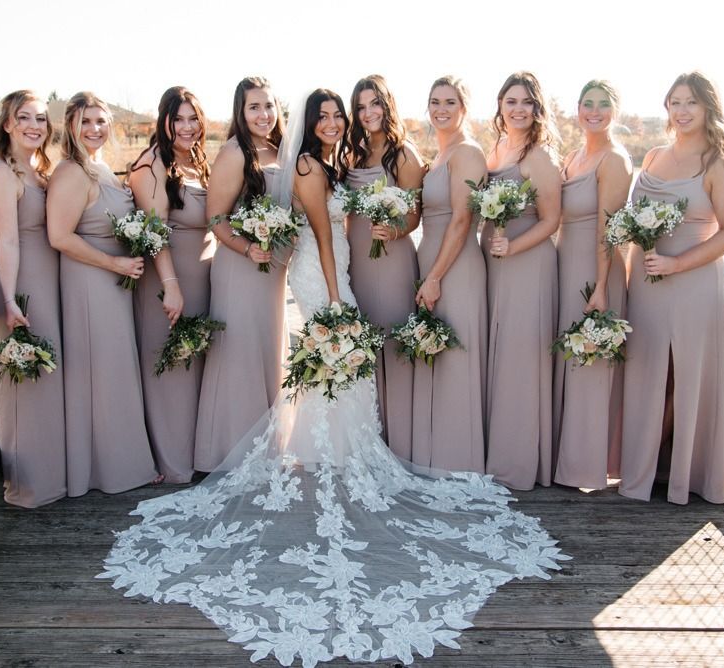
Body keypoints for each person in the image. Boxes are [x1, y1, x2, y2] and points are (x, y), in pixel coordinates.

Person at [100, 89, 568, 667]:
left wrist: (388, 235)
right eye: (322, 114)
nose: (331, 121)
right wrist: (336, 294)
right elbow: (323, 235)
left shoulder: (332, 161)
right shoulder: (306, 165)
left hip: (335, 267)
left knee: (339, 364)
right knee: (339, 355)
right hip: (324, 271)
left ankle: (340, 446)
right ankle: (337, 449)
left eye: (335, 113)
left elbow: (389, 211)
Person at [619, 72, 724, 504]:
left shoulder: (720, 165)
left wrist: (676, 263)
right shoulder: (654, 156)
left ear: (708, 108)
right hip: (646, 278)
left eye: (691, 102)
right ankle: (642, 465)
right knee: (647, 368)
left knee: (683, 373)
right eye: (675, 102)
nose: (682, 110)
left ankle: (673, 470)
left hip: (692, 279)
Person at [47, 92, 158, 496]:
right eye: (86, 121)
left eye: (101, 121)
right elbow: (59, 236)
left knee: (114, 372)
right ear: (71, 125)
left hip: (115, 280)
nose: (95, 129)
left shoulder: (100, 169)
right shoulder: (71, 172)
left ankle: (122, 462)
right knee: (103, 372)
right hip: (91, 282)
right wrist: (114, 265)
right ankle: (110, 470)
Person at [193, 77, 288, 472]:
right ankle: (228, 453)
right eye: (254, 107)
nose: (263, 114)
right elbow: (215, 217)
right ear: (240, 111)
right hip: (240, 266)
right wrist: (248, 246)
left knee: (267, 353)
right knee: (239, 357)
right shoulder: (235, 151)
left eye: (268, 106)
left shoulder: (282, 149)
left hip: (272, 271)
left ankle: (268, 449)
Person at [0, 90, 65, 507]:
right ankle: (30, 487)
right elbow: (8, 242)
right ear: (7, 124)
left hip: (52, 282)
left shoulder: (41, 168)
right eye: (25, 118)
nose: (35, 125)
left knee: (50, 380)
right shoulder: (1, 172)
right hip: (23, 286)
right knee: (27, 386)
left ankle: (56, 476)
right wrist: (10, 299)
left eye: (40, 118)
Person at [552, 80, 632, 490]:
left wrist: (601, 287)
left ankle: (585, 468)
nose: (594, 111)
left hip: (594, 272)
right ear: (578, 109)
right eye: (588, 104)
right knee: (569, 362)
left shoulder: (614, 160)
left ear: (614, 111)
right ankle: (564, 458)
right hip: (566, 267)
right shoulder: (575, 155)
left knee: (590, 366)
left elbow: (609, 231)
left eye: (603, 105)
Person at [483, 71, 561, 490]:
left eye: (526, 102)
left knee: (520, 359)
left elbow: (552, 220)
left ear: (537, 108)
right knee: (501, 354)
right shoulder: (496, 149)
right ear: (500, 105)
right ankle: (497, 451)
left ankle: (519, 463)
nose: (518, 109)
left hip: (528, 264)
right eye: (511, 101)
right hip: (496, 263)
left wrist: (513, 248)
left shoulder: (540, 156)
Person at [129, 87, 210, 484]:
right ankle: (172, 464)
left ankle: (193, 455)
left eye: (193, 118)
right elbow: (153, 232)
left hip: (203, 278)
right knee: (169, 369)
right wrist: (171, 286)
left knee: (193, 367)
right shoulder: (152, 164)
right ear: (163, 121)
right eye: (178, 119)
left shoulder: (198, 161)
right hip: (167, 283)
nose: (187, 127)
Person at [344, 75, 425, 458]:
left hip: (391, 259)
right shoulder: (353, 153)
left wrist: (392, 231)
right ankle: (369, 439)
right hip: (357, 259)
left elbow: (414, 216)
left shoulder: (403, 154)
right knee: (365, 345)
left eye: (374, 104)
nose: (367, 113)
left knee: (392, 342)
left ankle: (402, 443)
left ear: (387, 105)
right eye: (360, 107)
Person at [410, 76, 488, 473]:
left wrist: (436, 276)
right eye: (435, 101)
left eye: (450, 102)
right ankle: (433, 454)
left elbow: (462, 220)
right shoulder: (437, 156)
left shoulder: (468, 153)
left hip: (455, 267)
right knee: (434, 355)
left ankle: (459, 459)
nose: (441, 109)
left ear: (464, 108)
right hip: (431, 263)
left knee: (456, 357)